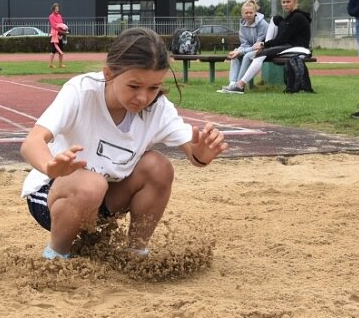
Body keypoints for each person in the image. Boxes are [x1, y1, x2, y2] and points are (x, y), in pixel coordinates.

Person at [21, 27, 227, 260]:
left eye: (153, 87)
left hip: (105, 200)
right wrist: (51, 166)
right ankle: (57, 255)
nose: (143, 97)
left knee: (158, 166)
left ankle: (135, 254)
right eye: (134, 86)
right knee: (91, 184)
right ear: (109, 74)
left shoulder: (157, 107)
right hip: (52, 196)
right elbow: (32, 141)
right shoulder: (81, 91)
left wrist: (201, 154)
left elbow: (193, 152)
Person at [221, 0, 311, 94]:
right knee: (260, 53)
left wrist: (264, 44)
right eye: (283, 2)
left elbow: (282, 39)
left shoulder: (297, 17)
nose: (285, 4)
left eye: (288, 2)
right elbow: (281, 37)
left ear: (295, 2)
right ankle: (236, 84)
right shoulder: (289, 18)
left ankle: (240, 85)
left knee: (260, 54)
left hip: (299, 49)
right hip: (289, 47)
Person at [220, 0, 268, 92]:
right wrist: (238, 51)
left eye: (251, 12)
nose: (248, 15)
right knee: (236, 53)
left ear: (255, 13)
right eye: (246, 13)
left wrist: (242, 51)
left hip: (264, 48)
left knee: (246, 56)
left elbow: (258, 46)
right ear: (242, 14)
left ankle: (239, 86)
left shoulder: (262, 24)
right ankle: (232, 83)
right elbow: (245, 44)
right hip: (252, 48)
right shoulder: (242, 25)